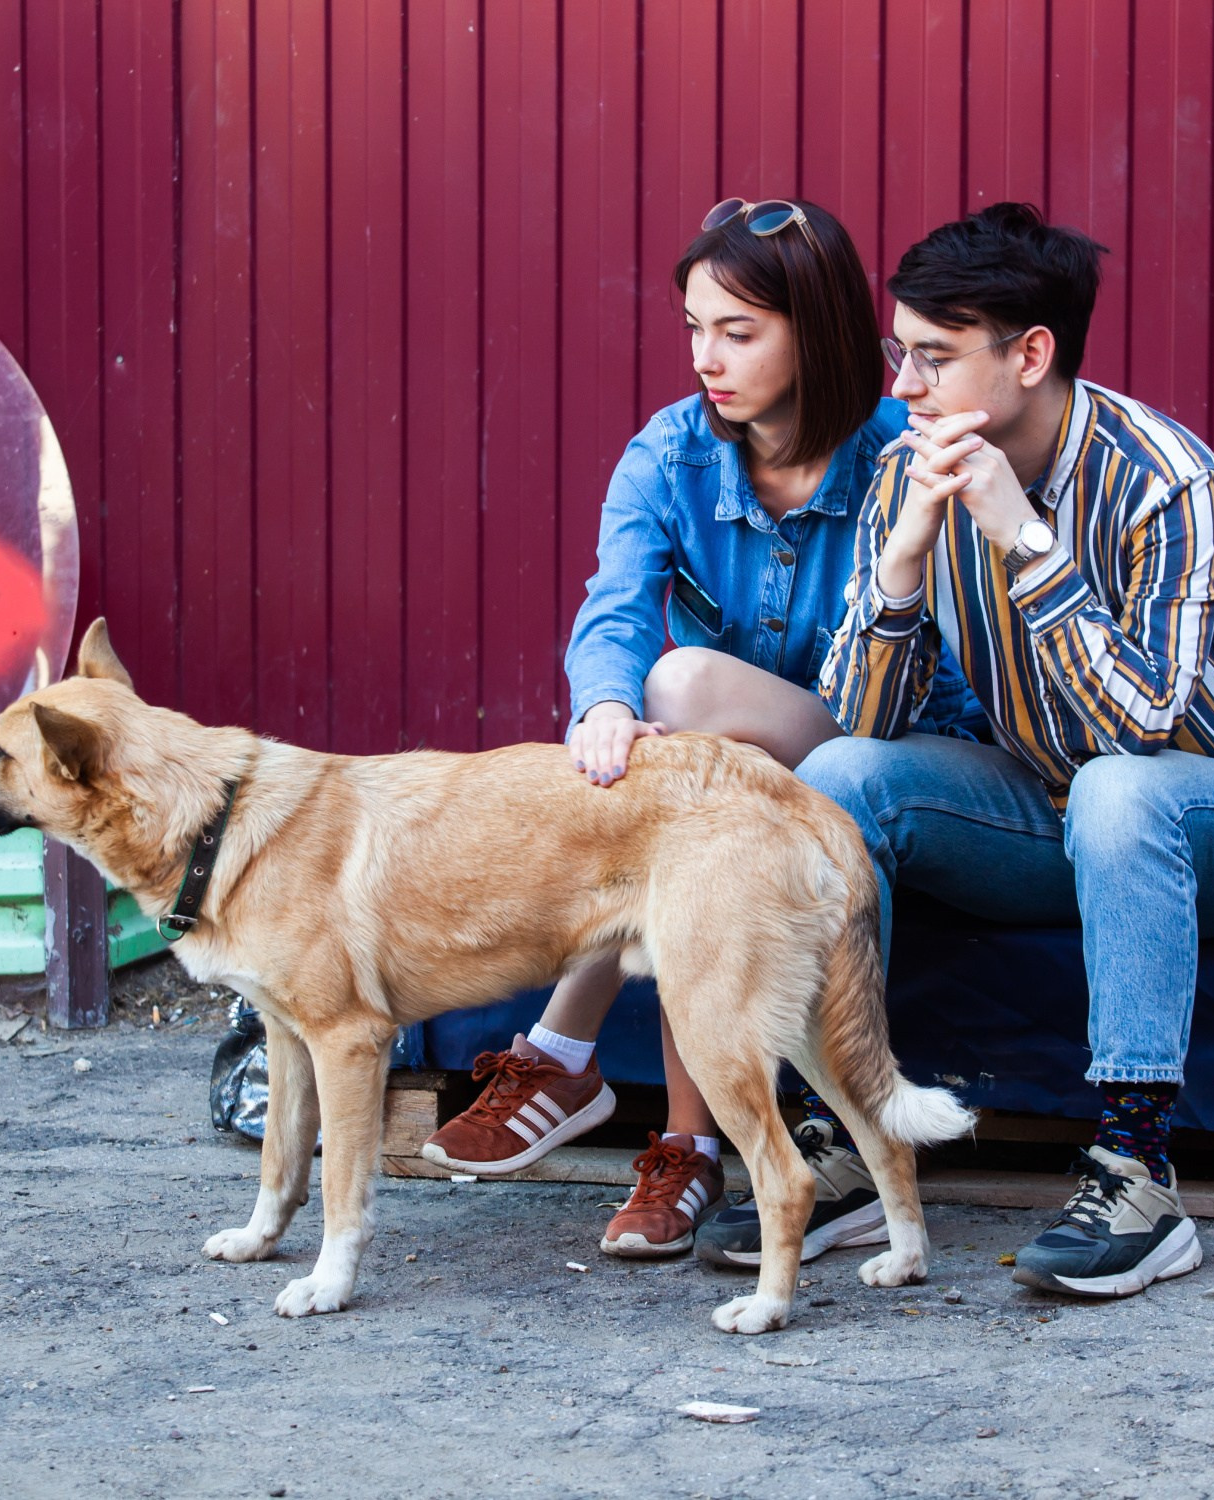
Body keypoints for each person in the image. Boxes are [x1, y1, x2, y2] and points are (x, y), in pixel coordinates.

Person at [777, 202, 1214, 1298]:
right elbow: (864, 724)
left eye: (933, 358)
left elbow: (1136, 729)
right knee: (835, 782)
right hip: (1047, 804)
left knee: (1122, 791)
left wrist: (1020, 536)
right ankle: (841, 1141)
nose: (903, 388)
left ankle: (1137, 1170)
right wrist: (898, 567)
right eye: (903, 354)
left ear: (1030, 356)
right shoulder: (910, 466)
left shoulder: (1166, 476)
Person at [419, 197, 982, 1261]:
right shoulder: (671, 453)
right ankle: (685, 1152)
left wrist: (642, 703)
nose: (705, 360)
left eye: (737, 331)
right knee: (677, 780)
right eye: (692, 328)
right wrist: (601, 706)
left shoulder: (898, 456)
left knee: (677, 691)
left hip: (886, 744)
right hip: (740, 780)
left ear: (810, 331)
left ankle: (562, 1048)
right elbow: (614, 605)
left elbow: (907, 679)